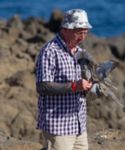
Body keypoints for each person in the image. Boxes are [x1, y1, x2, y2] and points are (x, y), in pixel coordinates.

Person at [35, 9, 93, 150]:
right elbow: (42, 87)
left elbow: (82, 86)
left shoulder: (80, 52)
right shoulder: (50, 51)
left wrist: (91, 86)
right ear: (66, 29)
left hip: (79, 124)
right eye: (79, 32)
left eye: (86, 32)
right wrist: (74, 86)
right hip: (58, 127)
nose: (83, 37)